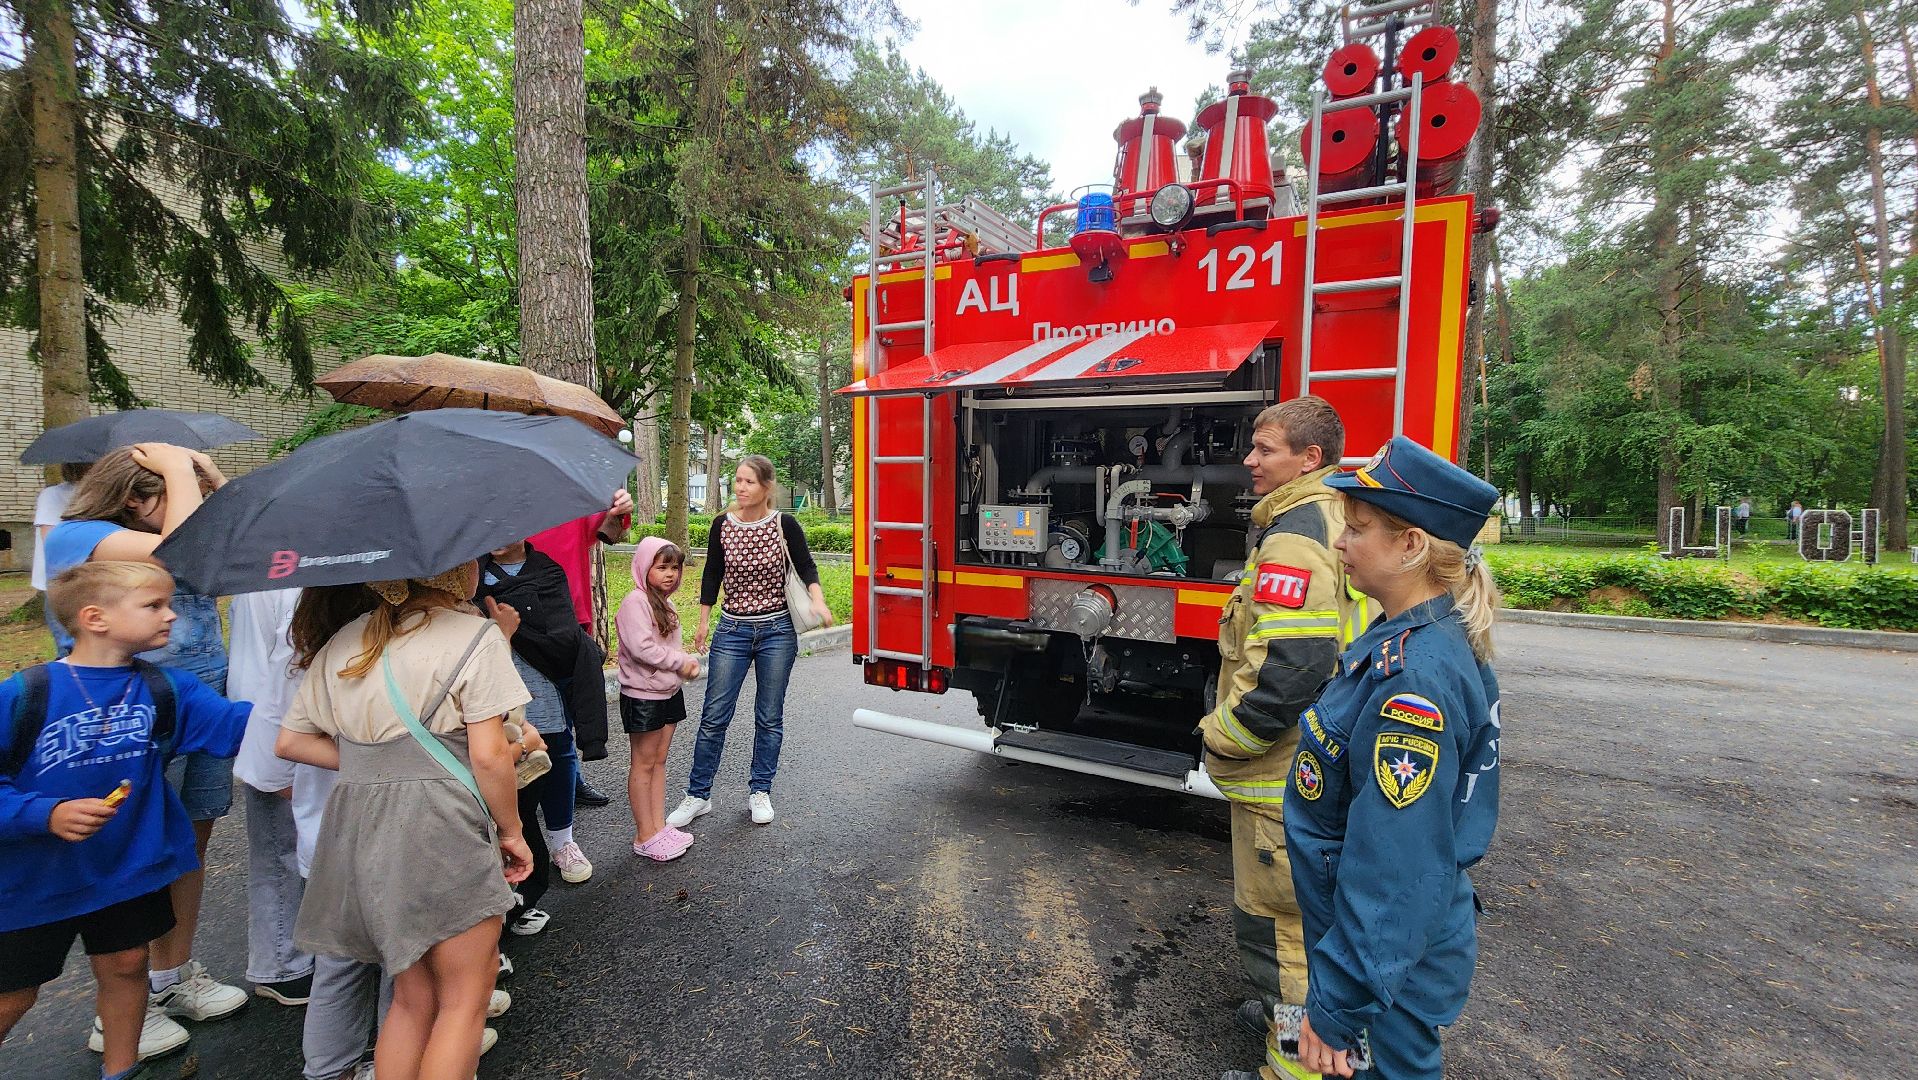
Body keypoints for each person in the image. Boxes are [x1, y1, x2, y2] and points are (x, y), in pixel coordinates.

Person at [1276, 436, 1503, 1080]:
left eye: (1359, 528)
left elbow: (1395, 867)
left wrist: (1337, 1005)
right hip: (1388, 952)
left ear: (1411, 546)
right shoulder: (1410, 638)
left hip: (1388, 962)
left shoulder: (1413, 681)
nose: (1341, 543)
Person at [276, 565, 533, 1080]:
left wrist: (381, 767)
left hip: (363, 825)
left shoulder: (347, 638)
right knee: (464, 998)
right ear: (457, 571)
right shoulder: (474, 635)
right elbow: (488, 755)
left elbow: (290, 742)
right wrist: (512, 832)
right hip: (442, 824)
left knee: (412, 999)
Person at [0, 561, 251, 1074]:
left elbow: (241, 727)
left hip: (127, 869)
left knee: (127, 965)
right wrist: (43, 815)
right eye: (154, 606)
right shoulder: (24, 694)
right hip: (33, 883)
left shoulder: (168, 689)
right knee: (12, 997)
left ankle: (121, 1069)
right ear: (96, 618)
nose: (172, 616)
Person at [43, 444, 249, 1029]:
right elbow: (177, 548)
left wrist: (210, 477)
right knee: (124, 848)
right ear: (134, 497)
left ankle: (172, 975)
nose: (196, 500)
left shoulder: (179, 520)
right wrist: (180, 469)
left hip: (194, 702)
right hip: (115, 717)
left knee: (188, 845)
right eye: (177, 490)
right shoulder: (77, 537)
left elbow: (237, 546)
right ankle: (121, 1005)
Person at [1201, 397, 1367, 1080]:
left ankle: (1292, 1068)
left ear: (1310, 458)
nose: (1250, 460)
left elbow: (1293, 667)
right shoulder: (1332, 517)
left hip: (1284, 778)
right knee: (1310, 925)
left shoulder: (1296, 533)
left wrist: (1224, 738)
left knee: (1286, 935)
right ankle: (1285, 1022)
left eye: (1265, 449)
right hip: (1319, 766)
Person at [668, 456, 830, 829]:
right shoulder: (721, 525)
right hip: (733, 630)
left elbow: (806, 566)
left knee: (768, 716)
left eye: (748, 482)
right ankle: (698, 795)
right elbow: (713, 572)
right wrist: (705, 621)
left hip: (777, 631)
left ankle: (760, 790)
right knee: (714, 717)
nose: (740, 488)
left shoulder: (784, 524)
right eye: (737, 481)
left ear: (766, 487)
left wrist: (818, 599)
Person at [475, 538, 607, 892]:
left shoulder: (546, 571)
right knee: (502, 764)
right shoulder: (473, 573)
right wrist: (496, 628)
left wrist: (515, 628)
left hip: (541, 683)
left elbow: (563, 635)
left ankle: (563, 841)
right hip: (490, 688)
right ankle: (511, 845)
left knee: (557, 756)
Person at [228, 588, 318, 1007]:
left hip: (316, 733)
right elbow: (252, 671)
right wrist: (265, 753)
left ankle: (325, 954)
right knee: (280, 849)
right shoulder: (269, 583)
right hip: (276, 730)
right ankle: (281, 962)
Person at [528, 489, 633, 809]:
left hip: (570, 622)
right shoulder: (508, 506)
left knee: (567, 712)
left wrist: (621, 509)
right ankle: (531, 786)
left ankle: (569, 780)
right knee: (529, 715)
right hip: (519, 626)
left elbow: (606, 525)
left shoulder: (569, 502)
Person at [616, 538, 698, 860]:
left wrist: (683, 663)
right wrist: (681, 662)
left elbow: (670, 649)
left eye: (674, 568)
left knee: (660, 760)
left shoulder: (665, 603)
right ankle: (644, 834)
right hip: (643, 696)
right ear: (643, 566)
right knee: (644, 763)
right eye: (661, 567)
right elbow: (643, 648)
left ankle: (658, 826)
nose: (670, 574)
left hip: (668, 692)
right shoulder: (634, 603)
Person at [32, 462, 90, 641]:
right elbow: (51, 542)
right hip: (62, 582)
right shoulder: (53, 495)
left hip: (97, 581)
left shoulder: (108, 495)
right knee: (68, 643)